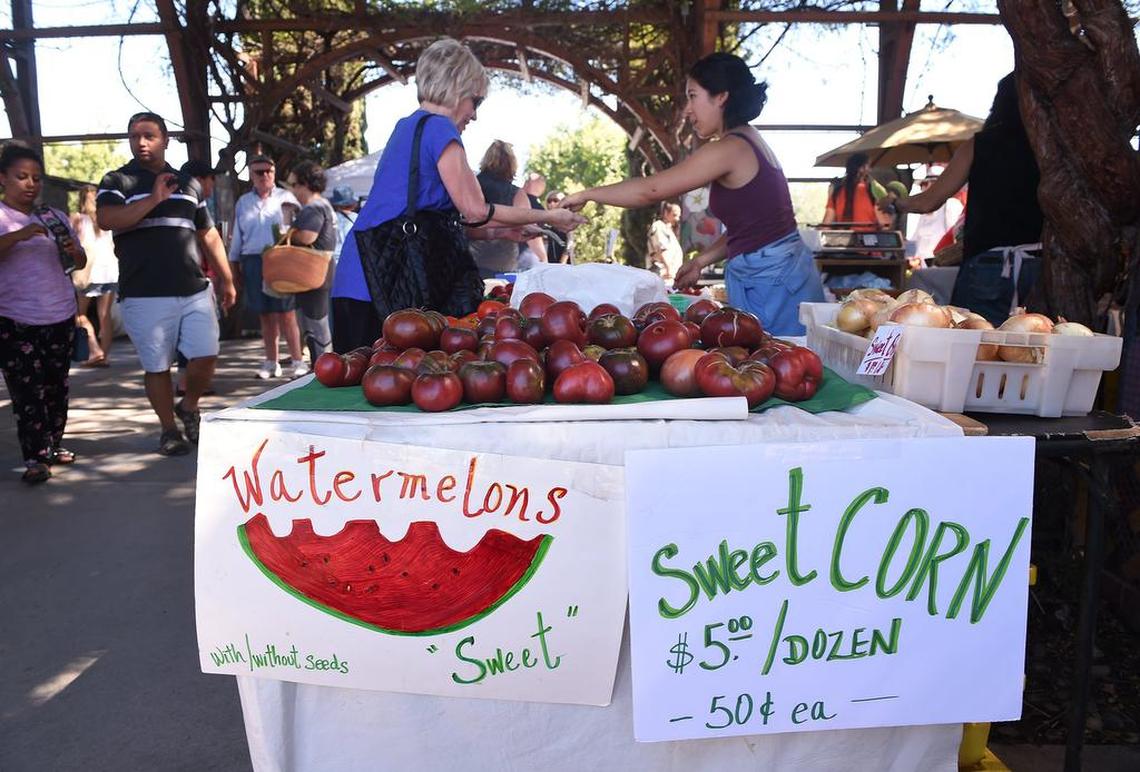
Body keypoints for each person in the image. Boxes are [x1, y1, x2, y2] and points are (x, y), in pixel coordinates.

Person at [330, 37, 585, 352]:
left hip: (359, 278)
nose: (474, 115)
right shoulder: (440, 128)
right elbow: (475, 209)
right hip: (383, 286)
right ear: (455, 87)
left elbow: (438, 221)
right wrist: (548, 216)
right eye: (475, 101)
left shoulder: (406, 126)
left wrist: (510, 231)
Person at [560, 51, 824, 335]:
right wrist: (701, 260)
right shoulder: (750, 140)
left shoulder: (730, 148)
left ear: (721, 97)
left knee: (782, 364)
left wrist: (587, 194)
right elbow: (750, 229)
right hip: (779, 277)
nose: (687, 110)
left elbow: (651, 190)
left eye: (692, 96)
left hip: (773, 286)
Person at [96, 112, 236, 456]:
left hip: (194, 288)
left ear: (165, 140)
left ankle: (188, 406)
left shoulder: (187, 184)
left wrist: (227, 279)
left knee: (206, 354)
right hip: (145, 293)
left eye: (148, 135)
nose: (141, 142)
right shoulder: (117, 181)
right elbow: (106, 219)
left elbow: (208, 234)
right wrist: (153, 199)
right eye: (134, 136)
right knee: (157, 367)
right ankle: (169, 430)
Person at [881, 73, 1043, 325]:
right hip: (1039, 266)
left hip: (989, 267)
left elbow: (928, 202)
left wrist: (896, 202)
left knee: (974, 348)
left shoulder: (980, 145)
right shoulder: (1049, 147)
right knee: (1034, 350)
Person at [0, 143, 87, 484]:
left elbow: (78, 262)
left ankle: (52, 446)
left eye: (36, 177)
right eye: (21, 177)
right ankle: (35, 458)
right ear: (3, 178)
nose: (30, 184)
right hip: (15, 319)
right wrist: (20, 235)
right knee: (27, 393)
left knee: (56, 387)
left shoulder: (54, 216)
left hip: (59, 314)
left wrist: (73, 250)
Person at [228, 154, 305, 380]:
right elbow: (237, 239)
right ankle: (271, 362)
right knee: (265, 315)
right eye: (259, 172)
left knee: (287, 313)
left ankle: (297, 361)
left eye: (268, 171)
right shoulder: (243, 202)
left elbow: (300, 231)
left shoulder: (287, 197)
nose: (264, 176)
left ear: (274, 173)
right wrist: (234, 269)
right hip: (252, 260)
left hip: (281, 259)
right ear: (251, 174)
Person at [284, 161, 335, 367]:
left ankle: (322, 369)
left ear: (305, 183)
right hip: (320, 272)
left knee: (315, 326)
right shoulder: (322, 205)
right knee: (317, 325)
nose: (293, 190)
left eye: (294, 184)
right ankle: (323, 366)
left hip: (312, 273)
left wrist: (288, 227)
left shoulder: (313, 208)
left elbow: (306, 237)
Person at [468, 140, 537, 278]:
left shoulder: (470, 184)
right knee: (499, 296)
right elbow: (526, 226)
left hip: (469, 259)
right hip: (502, 263)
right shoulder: (517, 194)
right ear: (512, 163)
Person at [70, 184, 117, 366]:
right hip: (111, 271)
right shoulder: (106, 218)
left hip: (87, 273)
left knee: (79, 315)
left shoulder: (77, 219)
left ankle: (95, 350)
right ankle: (104, 355)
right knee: (105, 316)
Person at [821, 152, 892, 231]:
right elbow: (884, 224)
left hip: (843, 239)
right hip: (868, 239)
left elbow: (826, 225)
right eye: (868, 166)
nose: (870, 169)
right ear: (861, 169)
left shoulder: (837, 191)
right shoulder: (873, 189)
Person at [647, 202, 684, 282]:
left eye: (679, 216)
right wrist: (669, 269)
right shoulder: (659, 226)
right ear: (666, 213)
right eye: (674, 215)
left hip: (670, 273)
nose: (677, 219)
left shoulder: (669, 230)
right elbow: (662, 249)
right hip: (663, 273)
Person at [544, 190, 571, 264]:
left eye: (555, 200)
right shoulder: (544, 221)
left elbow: (570, 242)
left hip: (564, 263)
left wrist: (563, 261)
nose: (552, 203)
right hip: (547, 262)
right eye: (549, 201)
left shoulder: (568, 220)